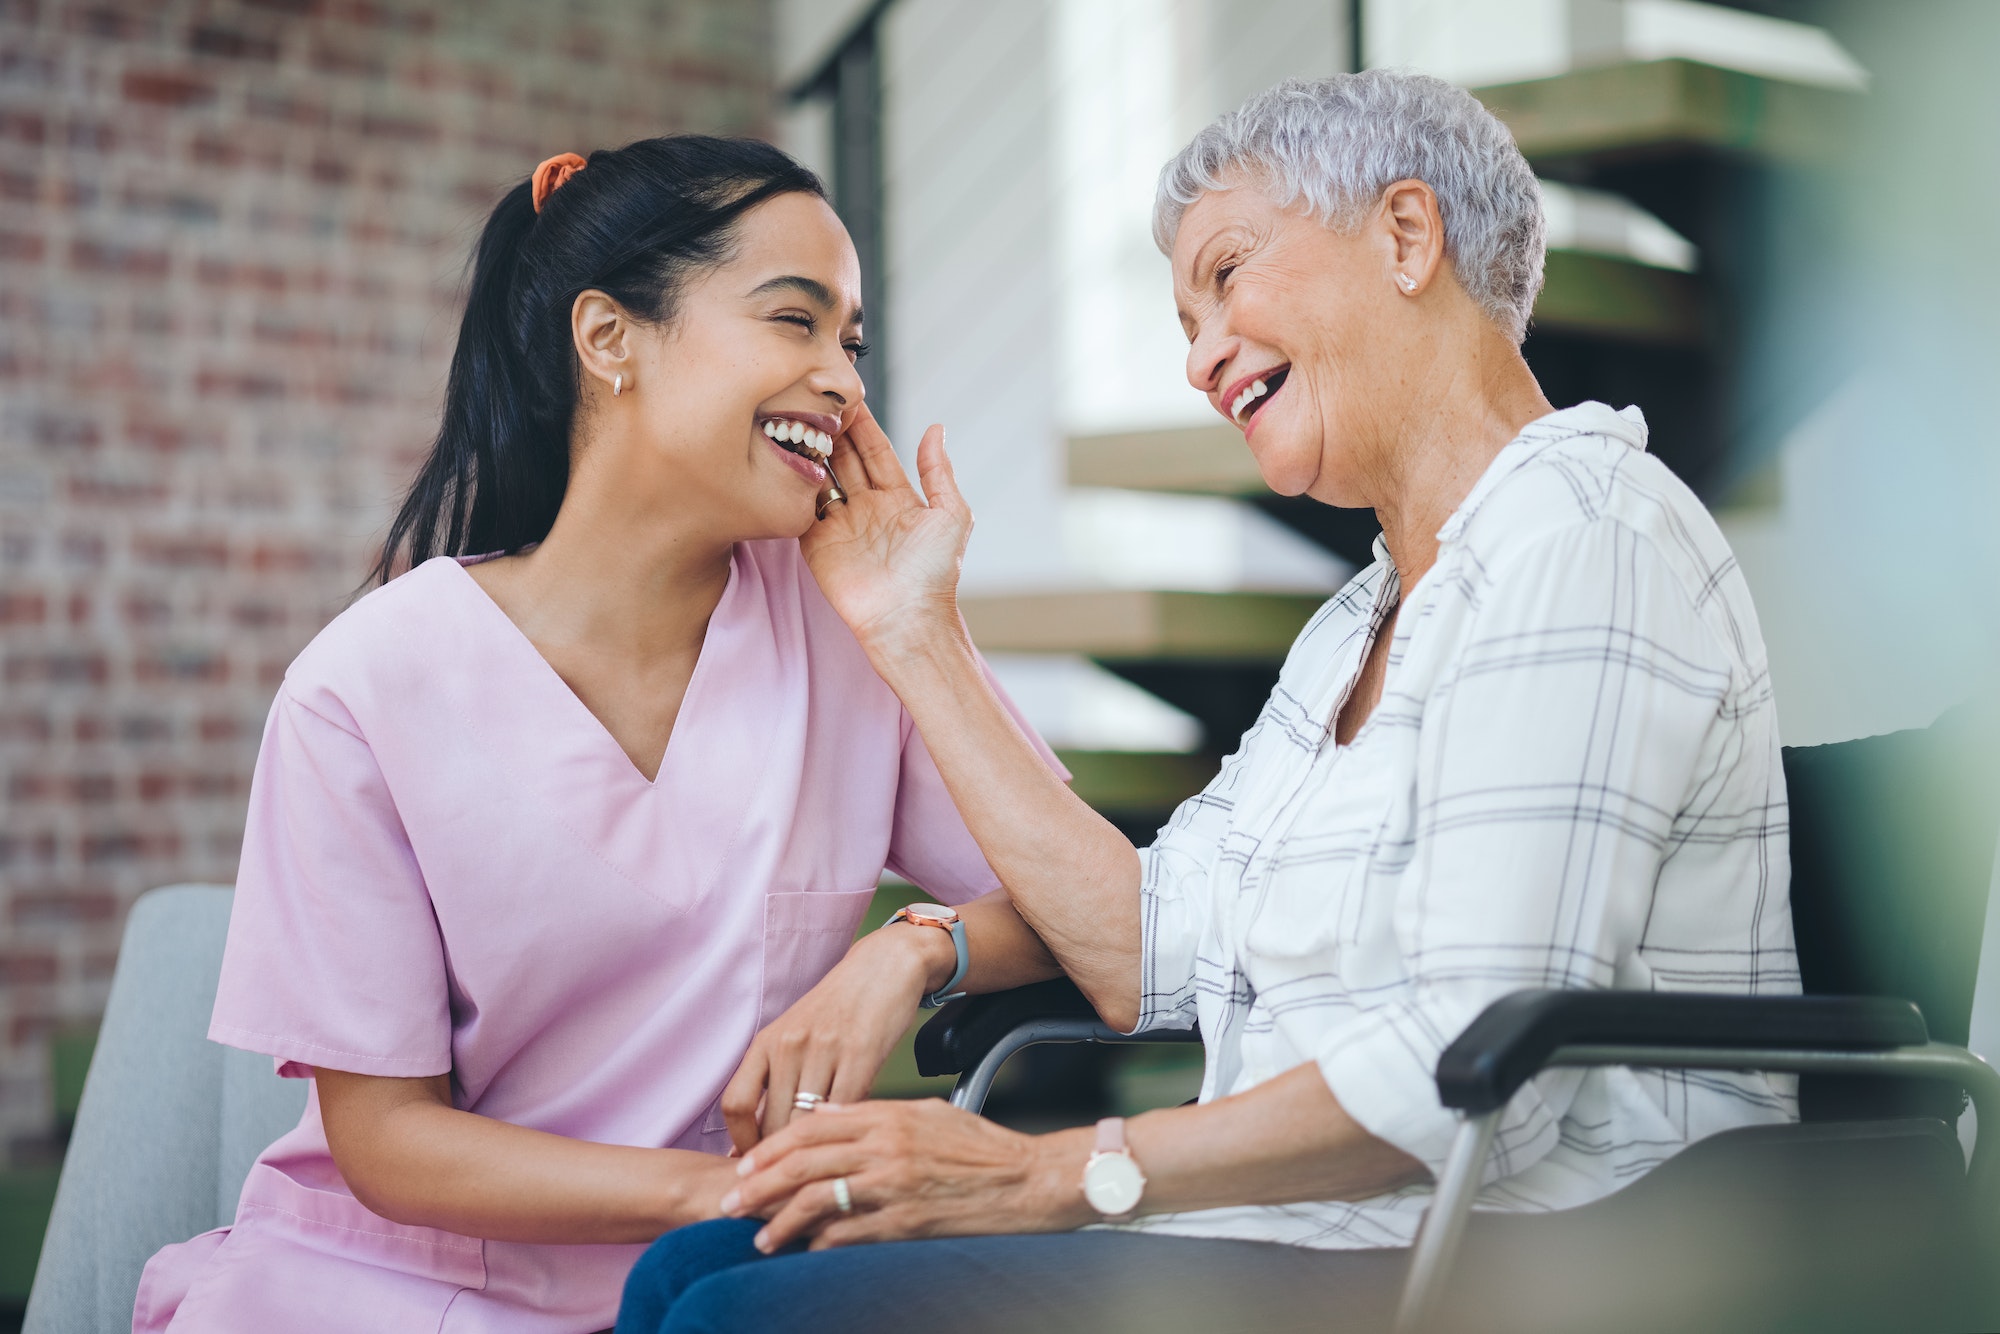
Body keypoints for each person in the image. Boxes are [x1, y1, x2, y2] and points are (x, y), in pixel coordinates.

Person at [616, 71, 1799, 1334]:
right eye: (1185, 317)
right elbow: (1143, 944)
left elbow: (1465, 1069)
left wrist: (1042, 1173)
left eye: (1225, 276)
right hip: (1307, 1240)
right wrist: (913, 642)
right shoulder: (1362, 621)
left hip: (1520, 1259)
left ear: (1405, 237)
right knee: (692, 1268)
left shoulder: (1578, 539)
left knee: (737, 1313)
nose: (1196, 359)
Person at [131, 136, 1068, 1333]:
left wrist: (909, 948)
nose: (842, 379)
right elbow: (388, 1140)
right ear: (608, 338)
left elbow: (1090, 911)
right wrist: (728, 1189)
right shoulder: (362, 689)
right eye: (795, 320)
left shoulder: (857, 628)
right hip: (398, 1287)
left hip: (725, 1284)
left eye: (853, 341)